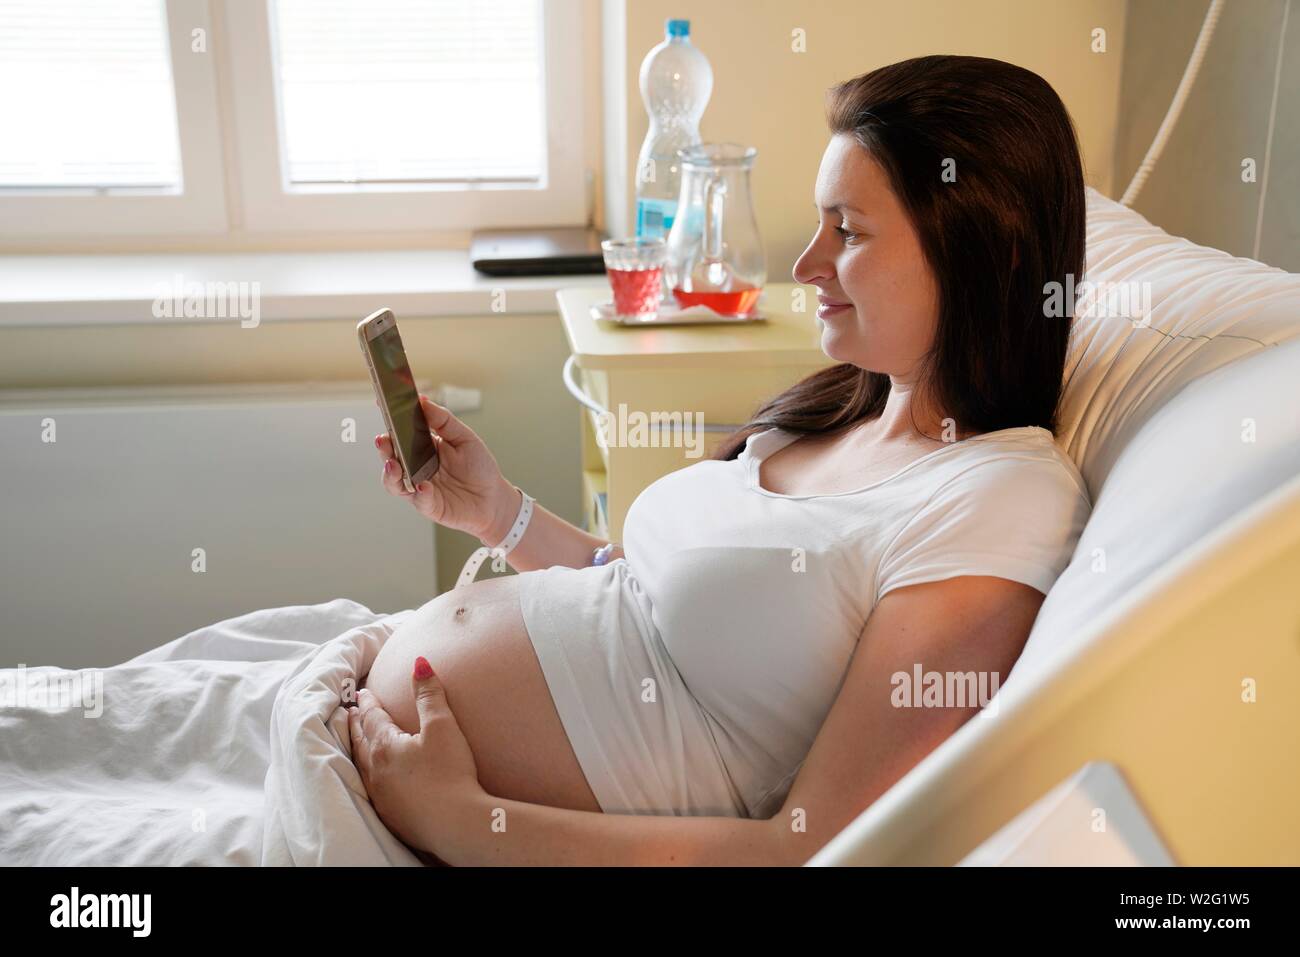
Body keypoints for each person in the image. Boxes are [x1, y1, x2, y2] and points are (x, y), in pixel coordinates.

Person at [348, 53, 1092, 867]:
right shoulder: (837, 407)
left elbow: (813, 846)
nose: (805, 263)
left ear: (989, 252)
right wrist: (495, 511)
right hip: (390, 776)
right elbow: (637, 595)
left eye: (849, 231)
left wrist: (462, 820)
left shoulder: (1000, 498)